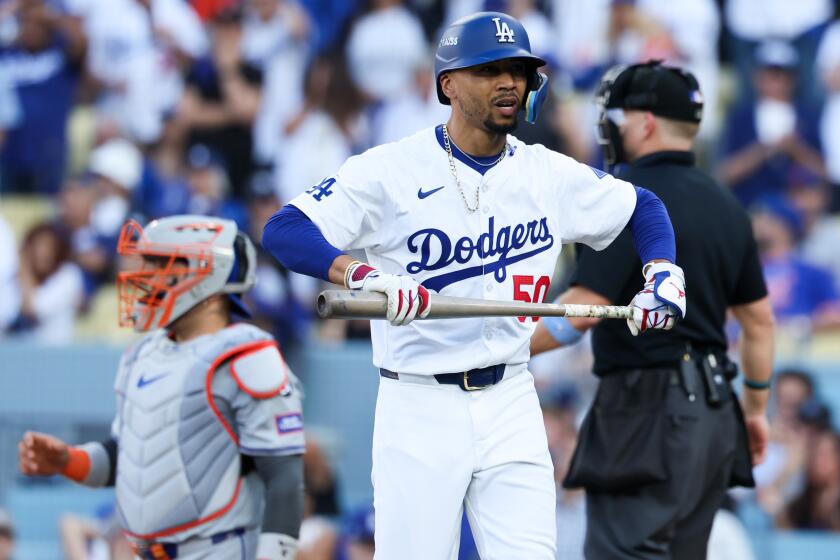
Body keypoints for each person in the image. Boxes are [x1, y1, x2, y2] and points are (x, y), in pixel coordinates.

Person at [263, 12, 686, 558]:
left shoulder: (546, 173)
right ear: (448, 84)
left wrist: (662, 273)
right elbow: (285, 229)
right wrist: (363, 274)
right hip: (418, 402)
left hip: (512, 395)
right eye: (489, 70)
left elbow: (642, 208)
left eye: (519, 70)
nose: (509, 82)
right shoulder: (389, 169)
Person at [530, 61, 775, 559]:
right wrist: (753, 409)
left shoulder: (625, 197)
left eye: (616, 118)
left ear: (643, 123)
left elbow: (584, 311)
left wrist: (494, 343)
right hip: (715, 414)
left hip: (646, 411)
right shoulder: (727, 205)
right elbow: (759, 321)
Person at [18, 215, 305, 559]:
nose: (145, 278)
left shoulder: (248, 353)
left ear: (207, 273)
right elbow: (129, 456)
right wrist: (68, 460)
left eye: (161, 266)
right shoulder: (143, 353)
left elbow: (284, 478)